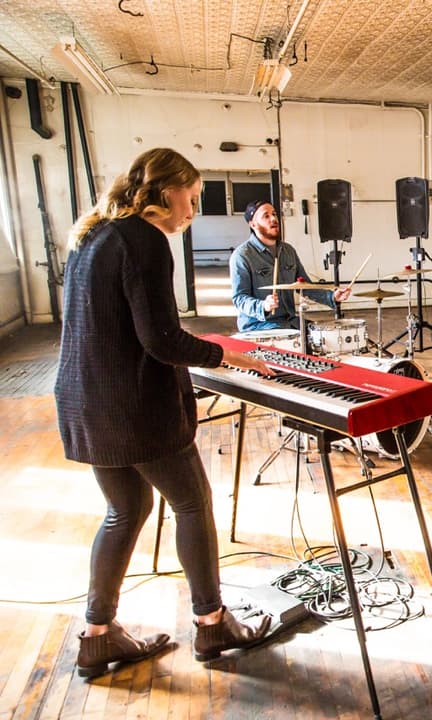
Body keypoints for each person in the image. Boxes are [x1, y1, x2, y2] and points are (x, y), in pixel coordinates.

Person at [54, 148, 274, 679]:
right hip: (132, 408)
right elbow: (160, 339)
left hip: (86, 401)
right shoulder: (143, 239)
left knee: (125, 510)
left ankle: (97, 636)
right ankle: (212, 622)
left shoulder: (94, 234)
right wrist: (228, 354)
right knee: (193, 503)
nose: (194, 209)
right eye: (192, 197)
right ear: (163, 190)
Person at [230, 199, 350, 332]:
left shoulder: (288, 250)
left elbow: (305, 286)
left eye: (274, 214)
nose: (273, 219)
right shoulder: (242, 256)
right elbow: (239, 299)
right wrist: (263, 306)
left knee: (325, 337)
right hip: (260, 325)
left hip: (290, 321)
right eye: (266, 216)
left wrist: (332, 296)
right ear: (253, 224)